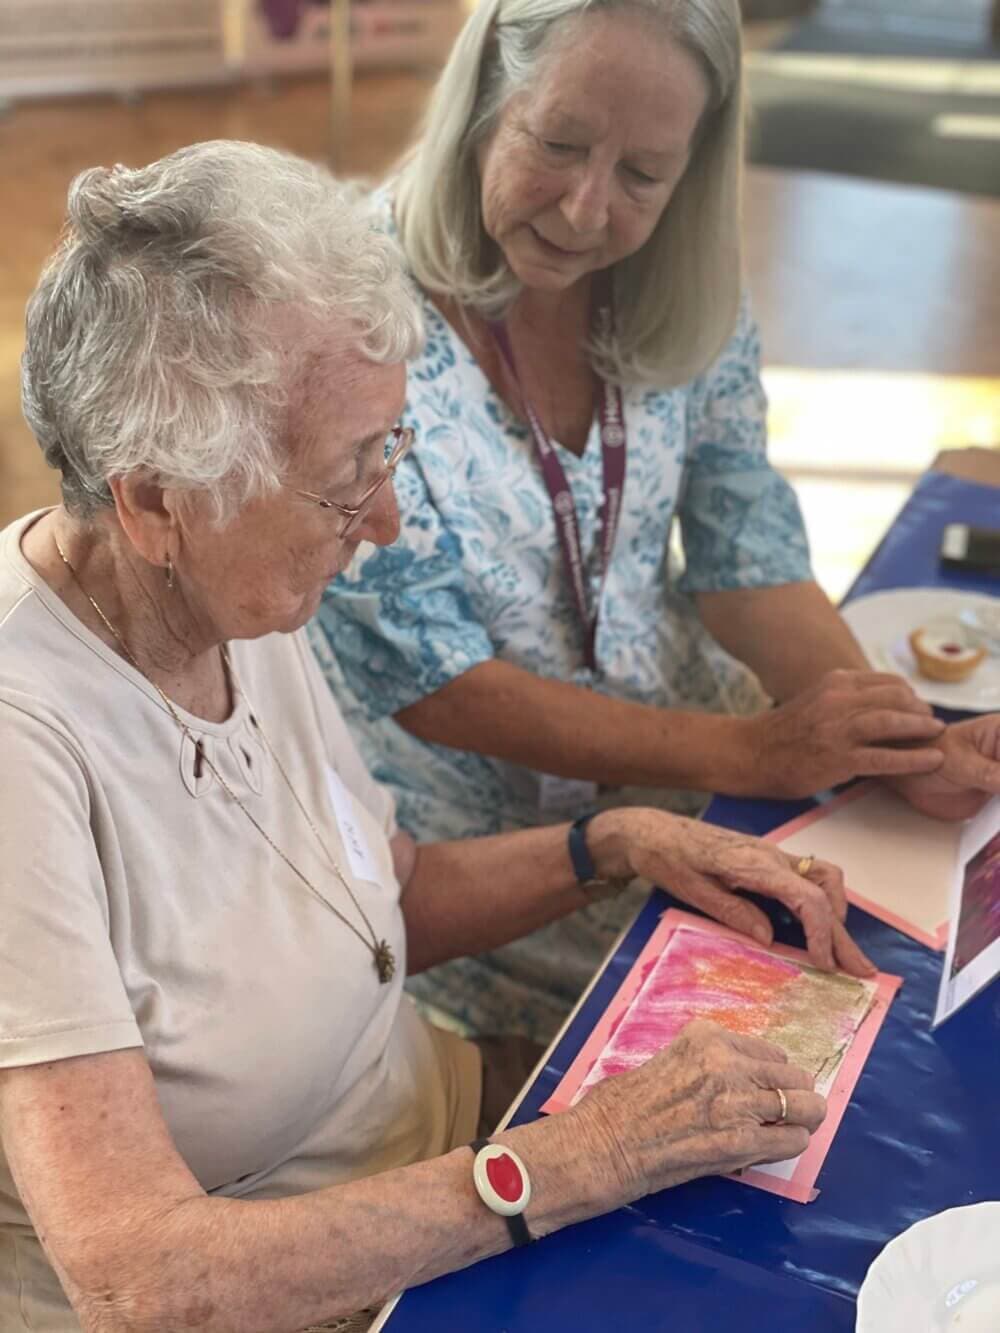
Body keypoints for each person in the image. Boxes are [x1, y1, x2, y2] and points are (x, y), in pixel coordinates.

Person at [0, 140, 863, 1333]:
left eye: (387, 450)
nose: (388, 521)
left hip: (440, 1139)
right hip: (303, 1282)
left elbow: (383, 892)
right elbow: (144, 1278)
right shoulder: (24, 747)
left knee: (812, 1181)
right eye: (351, 476)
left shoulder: (226, 591)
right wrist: (567, 1162)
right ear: (156, 502)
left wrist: (611, 841)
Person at [311, 0, 1000, 1041]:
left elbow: (744, 548)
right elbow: (437, 682)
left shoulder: (682, 282)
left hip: (701, 766)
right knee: (814, 1023)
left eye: (642, 174)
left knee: (904, 991)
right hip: (476, 857)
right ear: (488, 87)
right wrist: (753, 753)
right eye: (558, 143)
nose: (587, 211)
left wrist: (887, 738)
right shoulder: (349, 315)